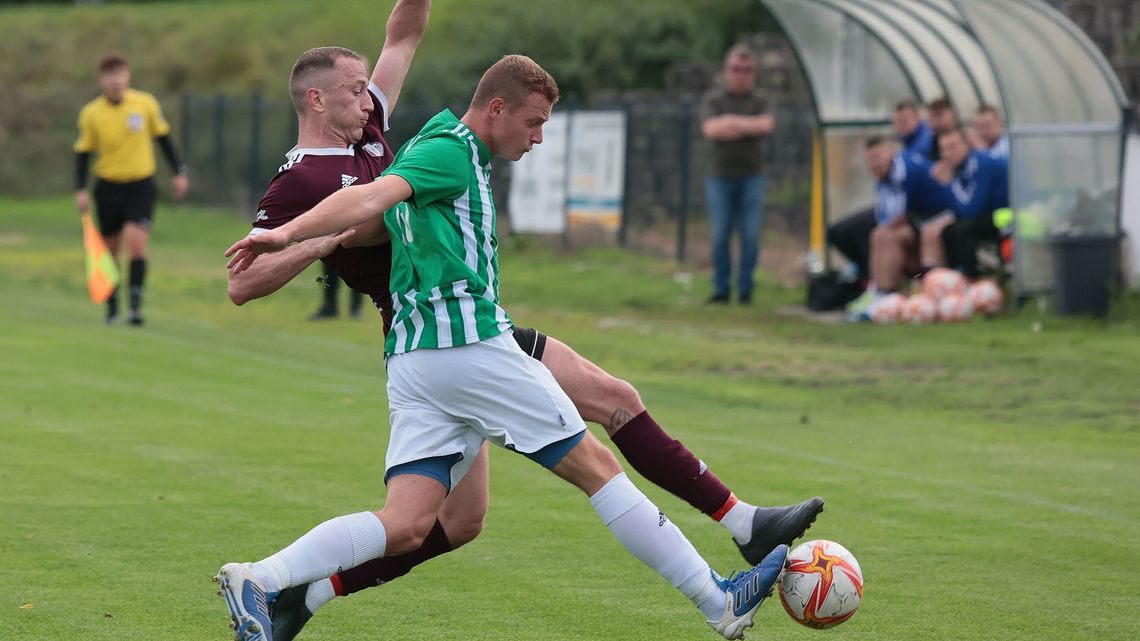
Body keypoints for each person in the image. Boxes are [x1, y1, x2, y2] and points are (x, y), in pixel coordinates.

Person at [222, 55, 804, 641]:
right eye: (534, 122)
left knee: (405, 524)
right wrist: (288, 233)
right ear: (495, 109)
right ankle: (717, 600)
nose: (538, 137)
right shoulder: (448, 150)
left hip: (416, 358)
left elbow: (377, 204)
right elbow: (372, 198)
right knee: (596, 467)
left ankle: (263, 579)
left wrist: (314, 235)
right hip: (469, 342)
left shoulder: (441, 144)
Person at [74, 53, 190, 325]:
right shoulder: (92, 113)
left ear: (128, 76)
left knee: (136, 246)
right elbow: (82, 153)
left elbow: (163, 139)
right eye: (109, 75)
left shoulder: (145, 104)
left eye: (120, 73)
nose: (115, 80)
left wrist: (178, 172)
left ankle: (135, 307)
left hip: (140, 186)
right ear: (101, 80)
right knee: (110, 251)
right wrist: (80, 189)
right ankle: (113, 306)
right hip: (108, 188)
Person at [698, 44, 774, 305]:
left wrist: (730, 122)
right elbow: (711, 130)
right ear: (726, 71)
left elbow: (765, 125)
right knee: (720, 236)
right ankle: (721, 290)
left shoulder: (760, 99)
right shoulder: (713, 100)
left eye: (746, 69)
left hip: (752, 176)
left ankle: (745, 290)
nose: (741, 74)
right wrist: (747, 126)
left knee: (750, 236)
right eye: (736, 69)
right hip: (720, 177)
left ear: (753, 73)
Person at [846, 136, 951, 320]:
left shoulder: (907, 169)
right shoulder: (881, 175)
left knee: (888, 236)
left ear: (890, 152)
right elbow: (884, 214)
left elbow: (900, 213)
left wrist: (886, 227)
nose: (873, 164)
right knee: (878, 234)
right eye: (869, 160)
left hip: (939, 221)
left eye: (877, 157)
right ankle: (877, 291)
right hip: (918, 222)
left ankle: (886, 294)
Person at [920, 128, 1009, 276]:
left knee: (962, 229)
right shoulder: (959, 167)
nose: (947, 154)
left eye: (952, 147)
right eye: (943, 150)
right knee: (944, 229)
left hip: (1008, 214)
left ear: (966, 146)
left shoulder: (982, 164)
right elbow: (959, 206)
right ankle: (952, 274)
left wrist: (948, 184)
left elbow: (970, 210)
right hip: (988, 213)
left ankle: (972, 277)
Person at [925, 97, 960, 162]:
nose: (933, 121)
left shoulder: (966, 139)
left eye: (938, 115)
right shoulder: (931, 144)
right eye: (930, 117)